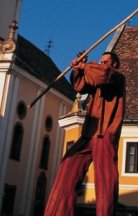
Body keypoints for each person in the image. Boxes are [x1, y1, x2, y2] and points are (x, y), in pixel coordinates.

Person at [44, 51, 125, 216]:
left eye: (106, 61)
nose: (102, 64)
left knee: (105, 179)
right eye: (101, 61)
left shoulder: (117, 76)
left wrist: (84, 66)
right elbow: (80, 85)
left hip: (105, 133)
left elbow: (103, 75)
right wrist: (78, 70)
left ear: (114, 64)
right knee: (68, 164)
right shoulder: (96, 80)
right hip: (89, 133)